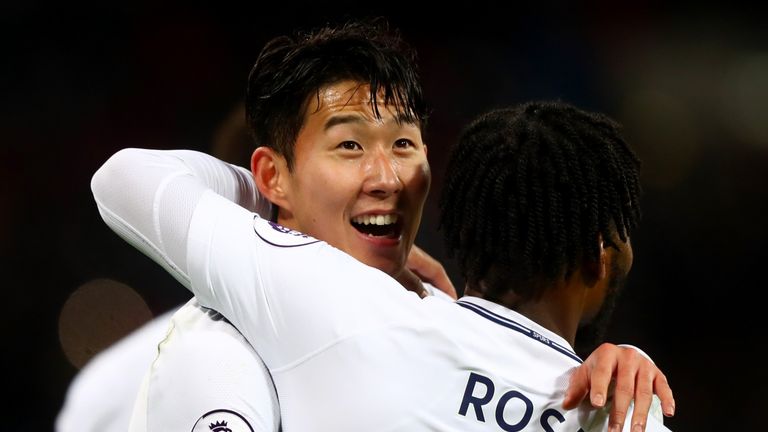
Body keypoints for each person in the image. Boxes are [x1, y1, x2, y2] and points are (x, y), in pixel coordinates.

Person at [93, 20, 673, 432]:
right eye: (349, 146)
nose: (386, 177)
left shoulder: (424, 312)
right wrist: (279, 211)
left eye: (403, 144)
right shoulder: (254, 307)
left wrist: (596, 359)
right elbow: (122, 178)